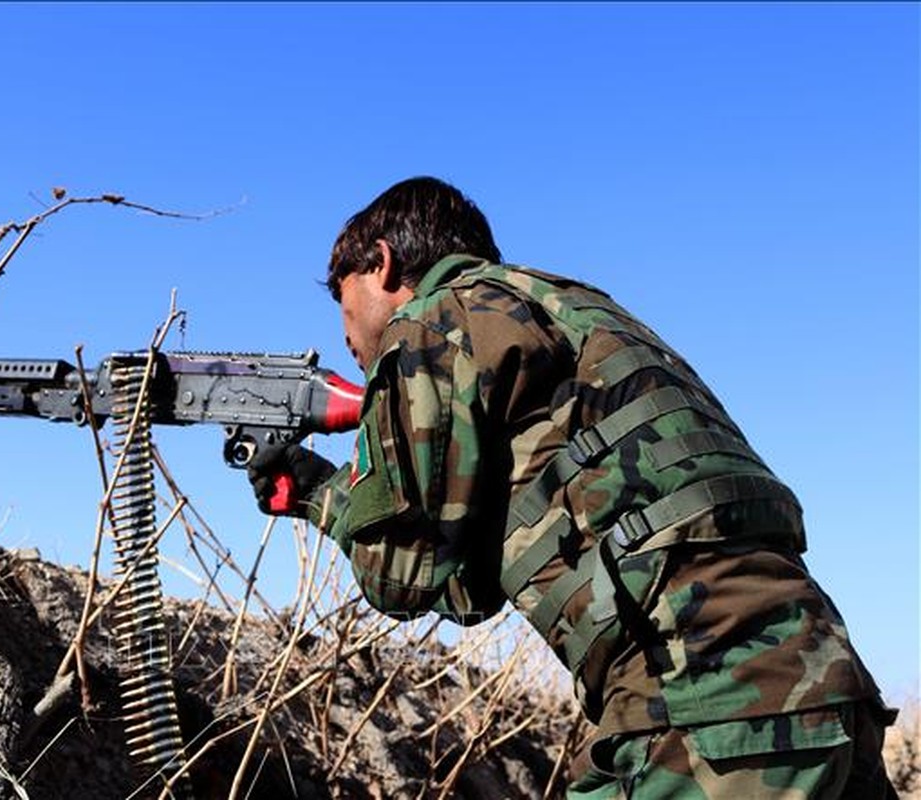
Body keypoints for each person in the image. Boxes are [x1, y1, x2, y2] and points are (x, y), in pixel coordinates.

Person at [247, 176, 898, 798]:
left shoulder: (430, 323)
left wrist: (317, 493)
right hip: (821, 680)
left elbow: (401, 576)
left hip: (707, 701)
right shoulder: (578, 309)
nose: (346, 335)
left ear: (383, 264)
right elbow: (467, 589)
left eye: (342, 298)